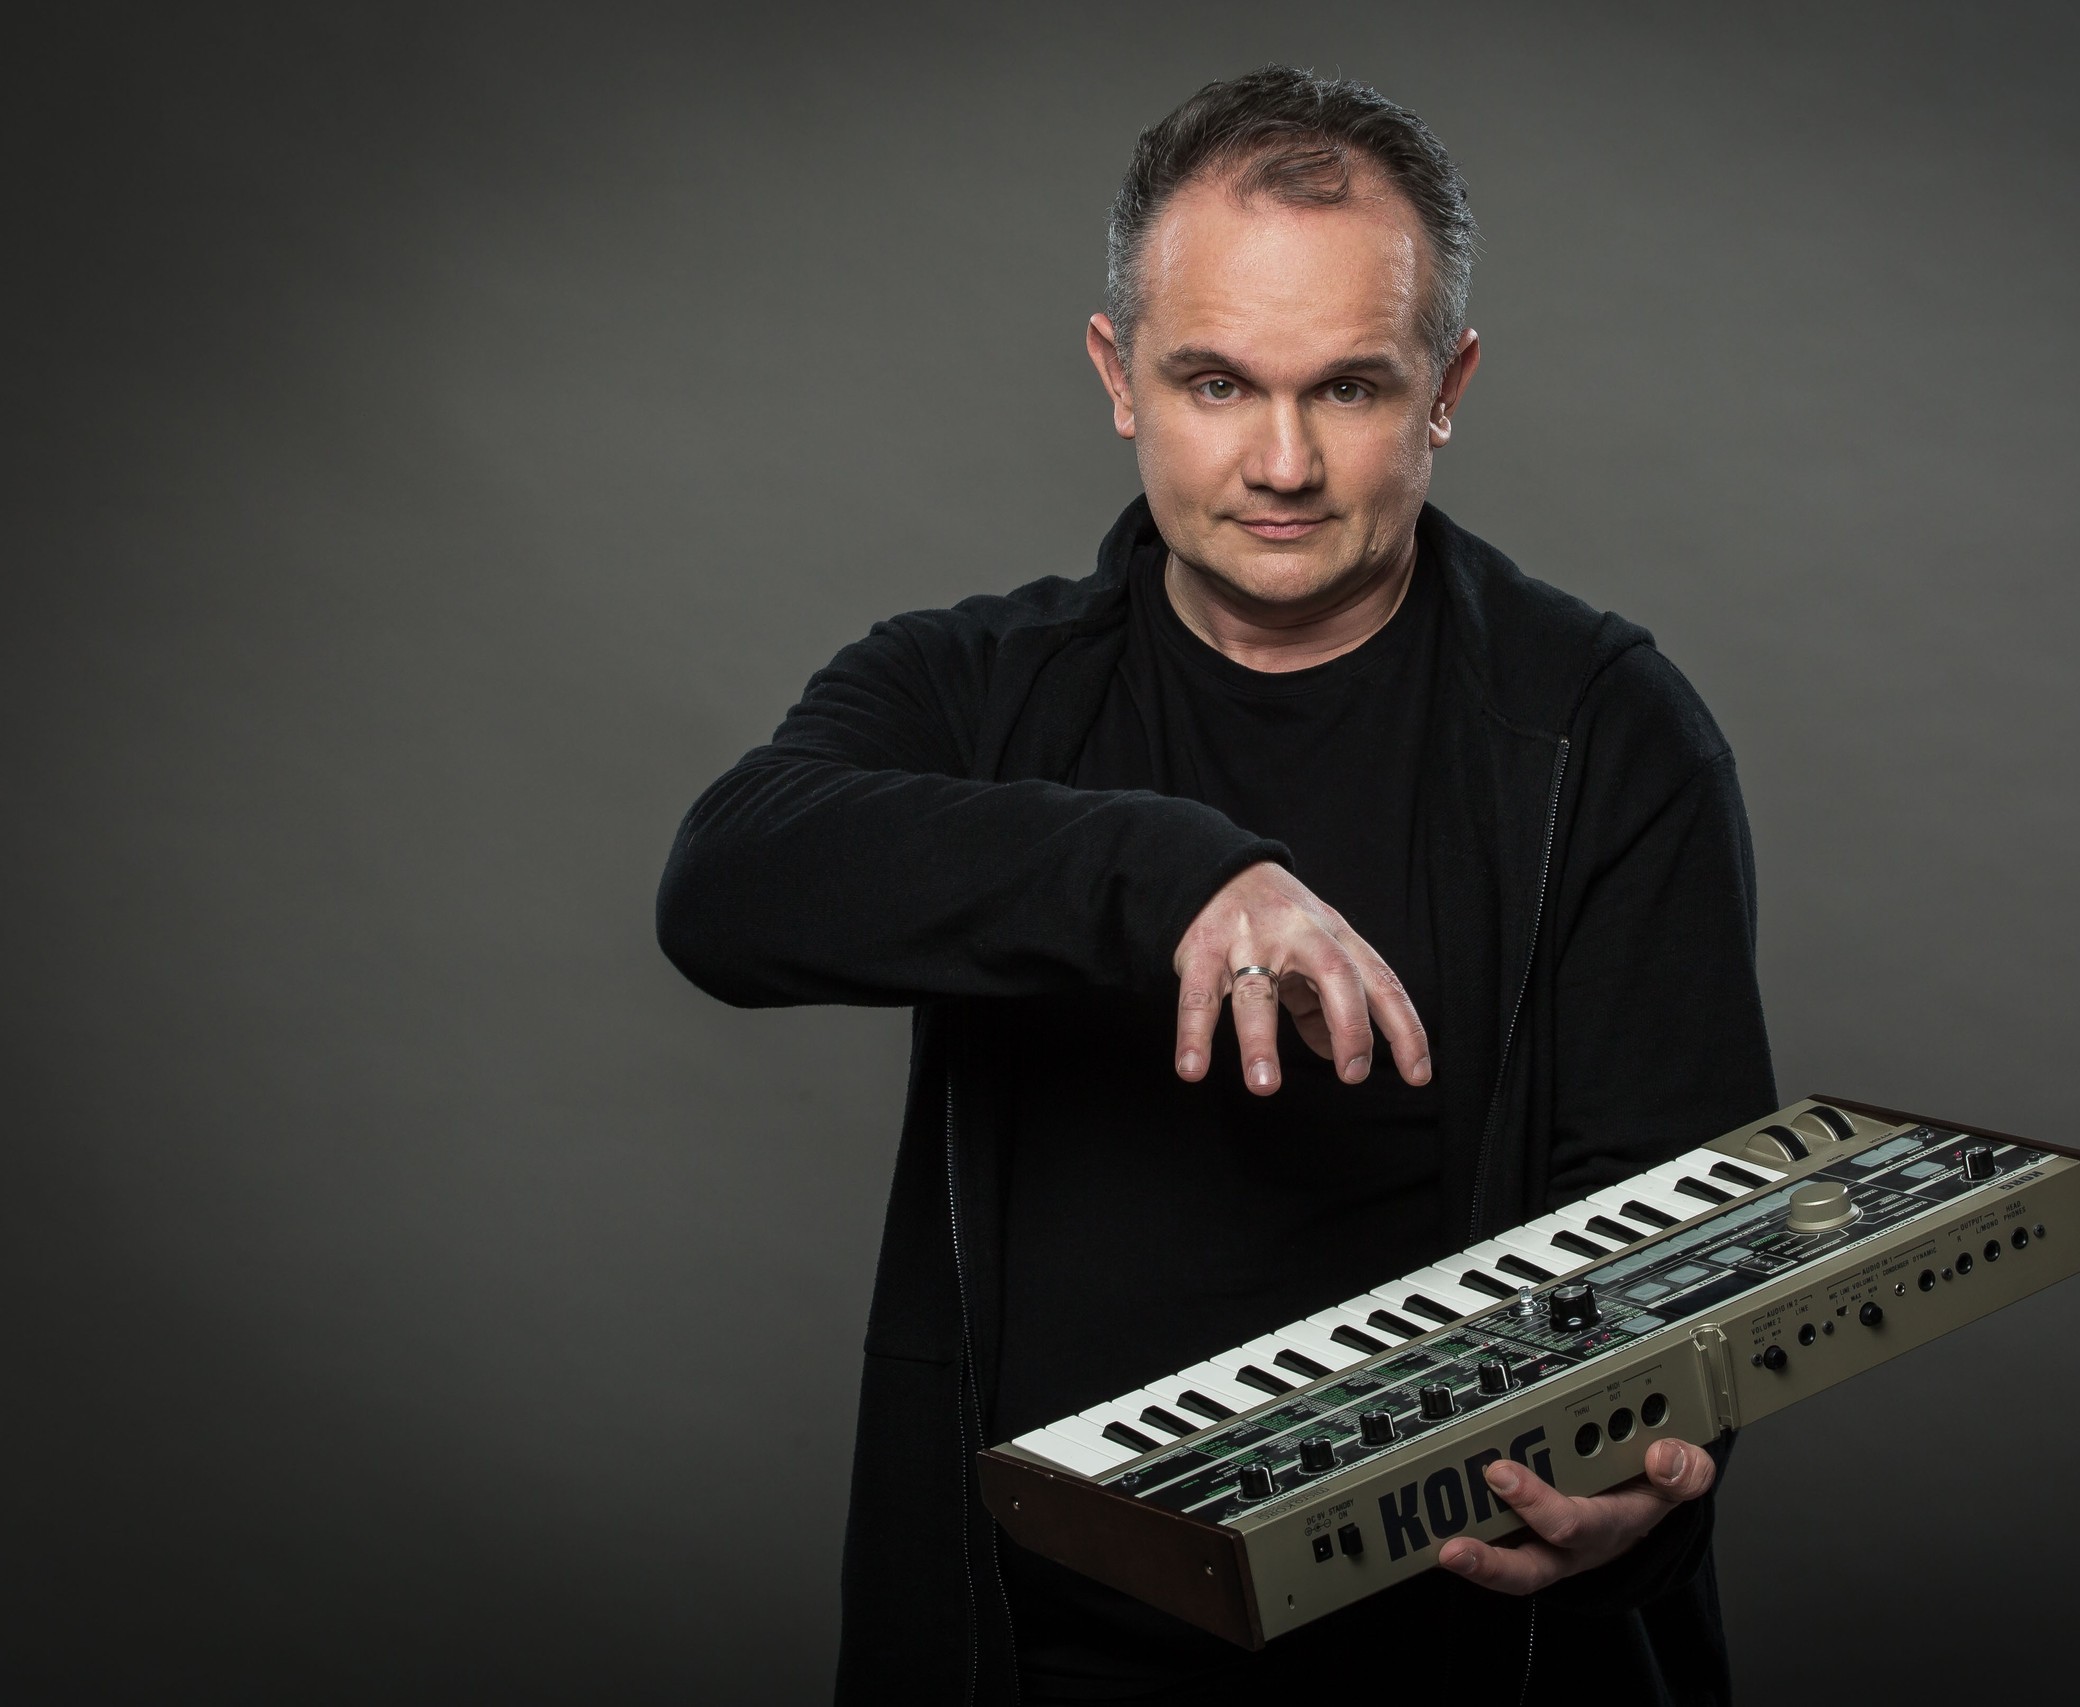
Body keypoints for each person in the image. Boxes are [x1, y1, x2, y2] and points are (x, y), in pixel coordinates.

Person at [657, 66, 1774, 1705]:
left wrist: (1638, 1512)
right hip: (1036, 1654)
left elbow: (1683, 1245)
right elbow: (727, 885)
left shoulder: (1603, 729)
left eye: (1351, 388)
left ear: (1448, 389)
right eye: (1215, 383)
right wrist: (1174, 870)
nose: (1282, 461)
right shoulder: (972, 689)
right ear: (1118, 377)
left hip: (1464, 1649)